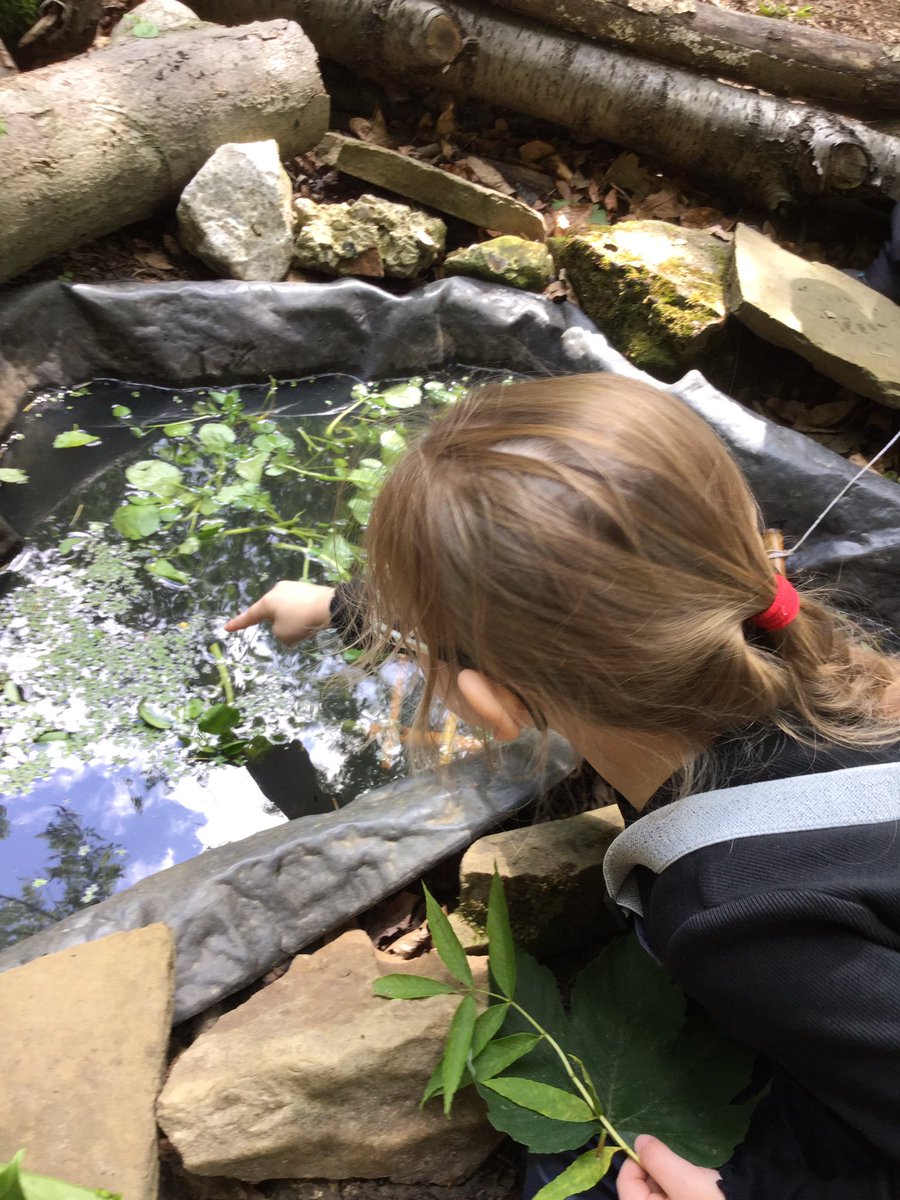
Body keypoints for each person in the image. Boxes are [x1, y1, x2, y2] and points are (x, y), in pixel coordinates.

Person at [226, 374, 900, 1200]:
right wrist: (338, 605)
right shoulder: (848, 672)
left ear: (491, 703)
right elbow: (559, 613)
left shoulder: (736, 915)